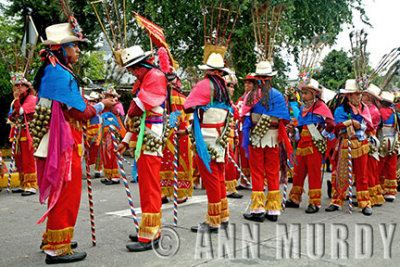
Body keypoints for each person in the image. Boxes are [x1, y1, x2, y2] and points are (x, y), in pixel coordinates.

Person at [34, 22, 116, 264]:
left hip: (62, 141)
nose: (79, 51)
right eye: (75, 46)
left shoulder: (55, 71)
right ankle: (57, 249)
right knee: (65, 195)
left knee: (61, 194)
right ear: (61, 48)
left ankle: (54, 238)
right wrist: (102, 106)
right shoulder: (59, 73)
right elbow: (80, 112)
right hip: (63, 144)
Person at [116, 45, 167, 251]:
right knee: (146, 185)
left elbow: (138, 107)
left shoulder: (154, 76)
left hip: (150, 137)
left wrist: (128, 117)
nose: (131, 72)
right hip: (144, 135)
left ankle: (151, 233)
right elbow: (137, 117)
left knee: (150, 187)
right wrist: (126, 140)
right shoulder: (146, 78)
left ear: (139, 66)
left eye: (132, 68)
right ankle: (148, 228)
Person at [183, 52, 233, 232]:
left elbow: (187, 106)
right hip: (220, 138)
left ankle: (213, 221)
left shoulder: (205, 85)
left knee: (211, 179)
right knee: (219, 178)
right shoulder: (224, 90)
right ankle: (223, 214)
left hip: (206, 138)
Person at [241, 61, 292, 222]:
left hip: (257, 136)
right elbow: (285, 118)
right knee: (272, 171)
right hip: (274, 137)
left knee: (257, 171)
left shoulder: (252, 95)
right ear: (270, 78)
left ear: (257, 78)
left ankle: (258, 209)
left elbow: (243, 115)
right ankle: (273, 210)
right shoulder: (277, 95)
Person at [285, 79, 334, 213]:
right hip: (302, 143)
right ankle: (295, 198)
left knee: (314, 173)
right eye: (303, 93)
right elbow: (300, 126)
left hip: (314, 144)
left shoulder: (321, 107)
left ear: (314, 93)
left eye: (306, 93)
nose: (303, 96)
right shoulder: (303, 108)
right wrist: (292, 129)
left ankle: (314, 202)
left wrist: (322, 135)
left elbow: (331, 124)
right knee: (298, 171)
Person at [325, 79, 373, 216]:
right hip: (346, 143)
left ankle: (365, 202)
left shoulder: (365, 109)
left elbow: (370, 126)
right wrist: (349, 122)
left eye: (359, 95)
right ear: (348, 96)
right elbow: (337, 125)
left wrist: (360, 125)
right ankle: (336, 201)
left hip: (361, 143)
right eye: (355, 95)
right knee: (342, 174)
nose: (358, 98)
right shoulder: (341, 109)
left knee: (362, 175)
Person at [160, 72, 193, 204]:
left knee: (164, 161)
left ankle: (163, 193)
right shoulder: (182, 98)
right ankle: (179, 193)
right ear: (177, 82)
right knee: (180, 161)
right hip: (180, 133)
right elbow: (189, 118)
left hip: (163, 132)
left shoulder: (160, 97)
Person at [7, 74, 38, 196]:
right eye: (16, 86)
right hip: (17, 133)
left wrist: (16, 101)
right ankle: (23, 183)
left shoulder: (31, 98)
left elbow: (20, 112)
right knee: (18, 159)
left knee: (28, 159)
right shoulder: (16, 100)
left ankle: (31, 186)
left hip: (27, 133)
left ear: (26, 87)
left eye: (20, 85)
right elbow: (12, 116)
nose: (18, 88)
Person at [362, 84, 386, 206]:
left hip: (369, 139)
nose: (361, 97)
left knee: (370, 169)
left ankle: (371, 195)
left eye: (363, 95)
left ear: (370, 97)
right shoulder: (368, 108)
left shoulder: (373, 111)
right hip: (367, 138)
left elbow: (367, 126)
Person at [235, 74, 257, 190]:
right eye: (245, 83)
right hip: (240, 128)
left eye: (249, 83)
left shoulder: (254, 97)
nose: (246, 85)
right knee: (243, 155)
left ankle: (257, 180)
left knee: (251, 155)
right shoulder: (241, 97)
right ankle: (245, 180)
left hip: (249, 129)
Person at [377, 91, 399, 202]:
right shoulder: (396, 114)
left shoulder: (379, 112)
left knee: (379, 165)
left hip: (382, 141)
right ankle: (390, 191)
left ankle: (379, 188)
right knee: (391, 166)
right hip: (394, 141)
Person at [224, 74, 243, 199]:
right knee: (228, 162)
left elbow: (235, 120)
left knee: (231, 161)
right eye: (231, 86)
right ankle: (228, 188)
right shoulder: (222, 101)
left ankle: (229, 187)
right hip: (223, 135)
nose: (233, 89)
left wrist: (236, 136)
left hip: (230, 135)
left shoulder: (230, 102)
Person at [99, 84, 122, 185]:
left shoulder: (114, 106)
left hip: (111, 131)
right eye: (106, 95)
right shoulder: (104, 105)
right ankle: (108, 175)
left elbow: (116, 116)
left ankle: (115, 177)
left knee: (112, 153)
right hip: (104, 131)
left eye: (109, 95)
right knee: (105, 154)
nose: (107, 97)